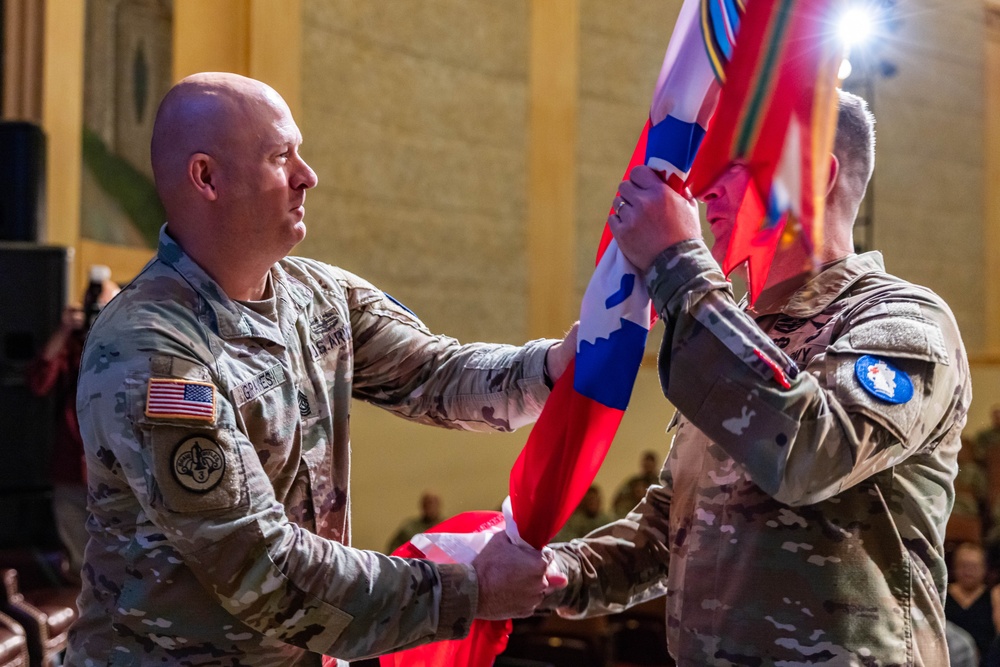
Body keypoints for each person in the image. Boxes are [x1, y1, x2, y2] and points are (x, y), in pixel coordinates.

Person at [68, 72, 572, 665]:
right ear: (207, 177)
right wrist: (473, 591)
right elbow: (264, 569)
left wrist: (557, 367)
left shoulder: (318, 296)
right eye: (282, 157)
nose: (308, 176)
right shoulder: (150, 351)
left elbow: (435, 374)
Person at [541, 90, 971, 665]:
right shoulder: (728, 333)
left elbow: (809, 453)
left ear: (814, 175)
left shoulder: (902, 321)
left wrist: (677, 264)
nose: (703, 188)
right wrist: (555, 571)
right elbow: (669, 530)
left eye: (734, 165)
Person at [24, 265, 119, 578]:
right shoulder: (73, 345)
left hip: (116, 467)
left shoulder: (129, 344)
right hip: (72, 461)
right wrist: (65, 330)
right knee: (80, 558)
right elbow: (39, 381)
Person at [946, 543, 1000, 665]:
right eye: (964, 565)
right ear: (954, 566)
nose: (968, 571)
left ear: (985, 568)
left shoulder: (994, 596)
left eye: (974, 566)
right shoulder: (941, 595)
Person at [611, 450, 660, 517]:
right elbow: (617, 501)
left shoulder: (661, 484)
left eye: (650, 464)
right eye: (646, 464)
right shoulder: (633, 483)